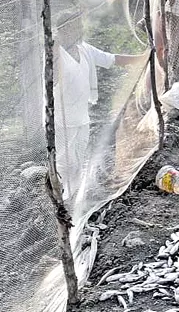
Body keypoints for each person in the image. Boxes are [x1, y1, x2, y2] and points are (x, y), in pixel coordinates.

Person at [53, 14, 144, 200]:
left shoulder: (84, 49)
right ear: (63, 31)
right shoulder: (55, 53)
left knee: (78, 159)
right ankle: (59, 198)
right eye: (75, 27)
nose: (80, 30)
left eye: (80, 26)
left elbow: (111, 59)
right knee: (63, 162)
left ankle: (74, 197)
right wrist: (53, 51)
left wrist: (142, 58)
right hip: (62, 119)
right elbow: (49, 80)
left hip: (81, 116)